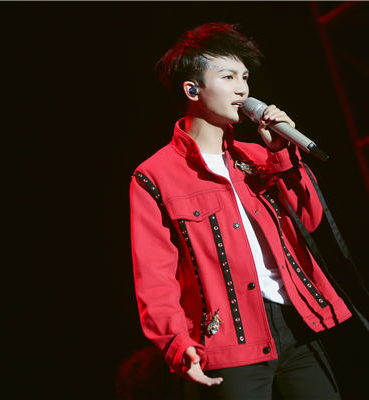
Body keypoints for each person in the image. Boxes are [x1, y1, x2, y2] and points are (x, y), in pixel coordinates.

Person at [129, 22, 352, 399]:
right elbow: (154, 274)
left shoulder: (260, 157)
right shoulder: (155, 176)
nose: (242, 90)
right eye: (228, 76)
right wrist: (177, 342)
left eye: (245, 77)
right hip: (230, 341)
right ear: (192, 89)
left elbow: (310, 220)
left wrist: (282, 154)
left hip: (296, 322)